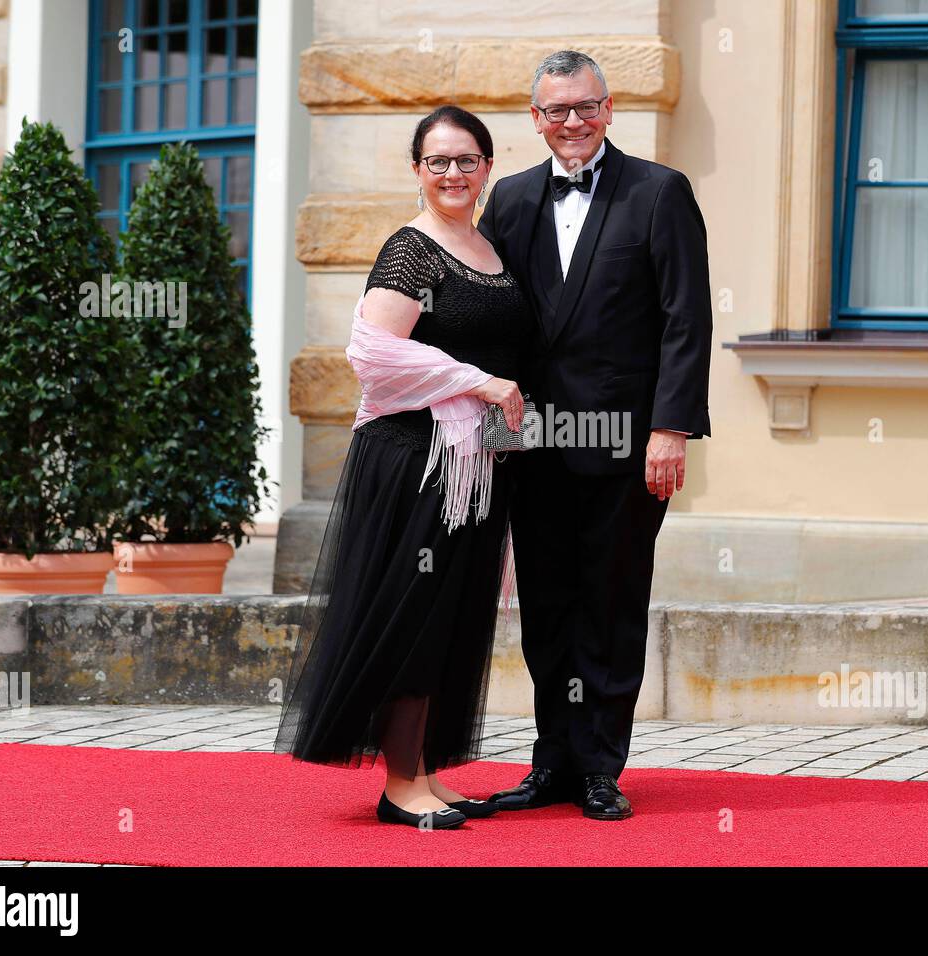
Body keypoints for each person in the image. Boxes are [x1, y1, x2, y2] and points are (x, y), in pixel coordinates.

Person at [273, 105, 532, 830]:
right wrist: (479, 383)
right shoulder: (412, 251)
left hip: (473, 463)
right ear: (417, 170)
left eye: (467, 159)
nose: (453, 173)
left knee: (452, 616)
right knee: (414, 617)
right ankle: (398, 786)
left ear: (487, 166)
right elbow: (372, 353)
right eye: (438, 161)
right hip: (415, 461)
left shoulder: (489, 246)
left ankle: (422, 771)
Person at [477, 50, 712, 821]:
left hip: (628, 442)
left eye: (584, 108)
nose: (571, 123)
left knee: (609, 604)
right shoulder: (507, 199)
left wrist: (671, 429)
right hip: (533, 440)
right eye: (555, 111)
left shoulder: (659, 192)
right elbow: (494, 323)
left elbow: (686, 319)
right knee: (545, 606)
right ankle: (553, 762)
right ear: (536, 118)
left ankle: (602, 769)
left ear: (609, 110)